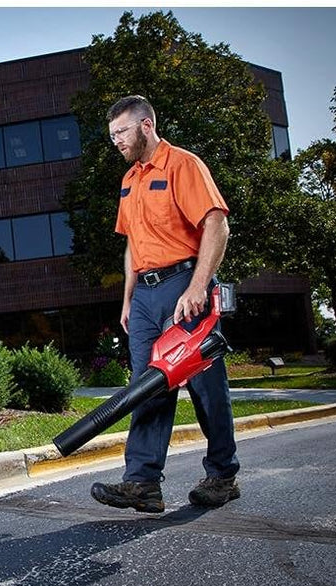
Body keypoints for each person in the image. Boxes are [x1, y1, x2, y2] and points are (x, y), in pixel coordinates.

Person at [90, 95, 240, 513]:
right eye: (111, 135)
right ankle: (142, 483)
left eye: (120, 132)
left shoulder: (183, 165)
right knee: (146, 387)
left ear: (145, 126)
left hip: (183, 286)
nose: (115, 140)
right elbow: (132, 247)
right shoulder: (129, 180)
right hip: (144, 297)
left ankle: (222, 474)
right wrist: (127, 298)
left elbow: (217, 224)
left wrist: (198, 286)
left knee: (205, 386)